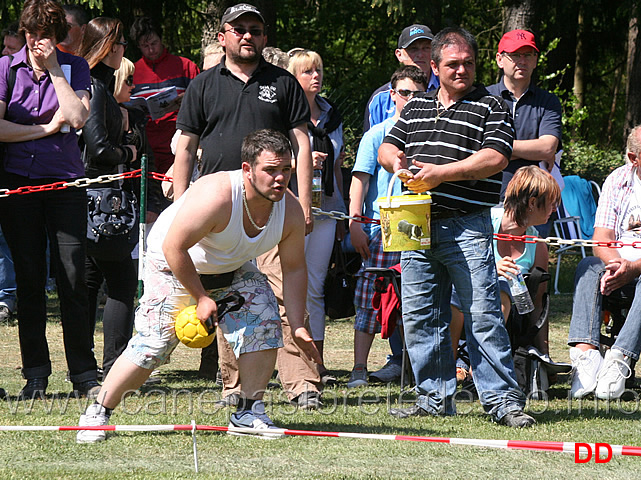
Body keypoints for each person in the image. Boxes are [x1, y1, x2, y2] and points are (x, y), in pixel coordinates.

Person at [76, 129, 322, 443]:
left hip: (230, 269)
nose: (280, 178)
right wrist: (201, 297)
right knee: (152, 346)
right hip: (171, 264)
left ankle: (248, 411)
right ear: (247, 170)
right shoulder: (218, 195)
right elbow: (173, 247)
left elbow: (294, 267)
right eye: (270, 170)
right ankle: (98, 411)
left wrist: (298, 324)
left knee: (264, 319)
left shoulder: (289, 211)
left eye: (286, 169)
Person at [378, 27, 534, 427]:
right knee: (420, 316)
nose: (462, 70)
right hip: (416, 224)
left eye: (468, 63)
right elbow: (387, 146)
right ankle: (433, 398)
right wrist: (396, 162)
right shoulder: (415, 107)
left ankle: (502, 402)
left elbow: (496, 157)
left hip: (468, 226)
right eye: (452, 64)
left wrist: (440, 175)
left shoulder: (492, 106)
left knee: (482, 313)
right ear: (434, 66)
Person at [174, 4, 320, 409]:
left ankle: (303, 385)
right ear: (222, 36)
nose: (247, 36)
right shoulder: (203, 84)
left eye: (255, 30)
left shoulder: (284, 82)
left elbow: (302, 144)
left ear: (264, 37)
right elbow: (185, 147)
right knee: (228, 301)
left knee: (288, 290)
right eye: (239, 30)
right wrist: (181, 204)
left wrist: (303, 203)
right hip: (218, 214)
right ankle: (234, 388)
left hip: (273, 209)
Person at [0, 0, 98, 399]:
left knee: (73, 277)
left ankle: (83, 374)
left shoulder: (76, 67)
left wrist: (55, 68)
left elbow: (77, 118)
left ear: (57, 37)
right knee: (29, 279)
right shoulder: (5, 69)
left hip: (65, 185)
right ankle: (35, 374)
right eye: (30, 34)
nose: (36, 42)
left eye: (44, 35)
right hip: (18, 184)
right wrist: (43, 129)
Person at [347, 65, 427, 388]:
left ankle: (417, 370)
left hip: (419, 229)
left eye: (418, 94)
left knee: (416, 301)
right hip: (381, 229)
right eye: (404, 92)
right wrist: (354, 223)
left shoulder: (431, 133)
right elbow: (359, 181)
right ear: (392, 95)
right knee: (369, 297)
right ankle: (358, 369)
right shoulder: (377, 134)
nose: (410, 99)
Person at [449, 166, 560, 384]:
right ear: (531, 203)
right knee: (459, 295)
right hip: (464, 298)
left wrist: (544, 355)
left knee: (502, 289)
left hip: (511, 315)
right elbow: (455, 265)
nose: (554, 209)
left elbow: (538, 305)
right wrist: (489, 268)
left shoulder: (537, 245)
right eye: (551, 203)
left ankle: (478, 371)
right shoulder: (483, 223)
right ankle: (447, 368)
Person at [78, 17, 139, 379]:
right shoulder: (95, 86)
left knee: (87, 282)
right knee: (120, 281)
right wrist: (129, 152)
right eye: (118, 43)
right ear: (104, 46)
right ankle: (114, 365)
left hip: (83, 194)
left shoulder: (92, 84)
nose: (122, 50)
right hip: (100, 193)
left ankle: (85, 367)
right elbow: (99, 146)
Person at [567, 126, 641, 400]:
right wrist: (616, 266)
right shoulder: (617, 180)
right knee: (587, 266)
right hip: (619, 264)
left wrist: (634, 268)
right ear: (633, 158)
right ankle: (586, 356)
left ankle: (618, 359)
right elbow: (602, 238)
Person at [288, 49, 346, 378]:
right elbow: (272, 160)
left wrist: (339, 215)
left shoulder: (331, 115)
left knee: (315, 286)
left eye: (318, 70)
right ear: (293, 77)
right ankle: (286, 362)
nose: (316, 76)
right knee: (286, 285)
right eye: (308, 71)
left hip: (325, 210)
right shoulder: (282, 114)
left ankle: (317, 362)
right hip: (291, 207)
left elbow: (337, 168)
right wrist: (302, 162)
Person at [486, 29, 562, 233]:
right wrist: (527, 149)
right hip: (489, 198)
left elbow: (547, 148)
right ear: (500, 59)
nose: (522, 60)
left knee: (533, 263)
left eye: (528, 55)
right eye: (515, 55)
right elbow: (474, 148)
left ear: (536, 60)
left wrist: (497, 150)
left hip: (536, 205)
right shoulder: (482, 99)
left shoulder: (548, 102)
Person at [129, 16, 200, 175]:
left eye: (154, 43)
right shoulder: (132, 71)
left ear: (161, 40)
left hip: (179, 145)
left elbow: (201, 104)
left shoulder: (185, 66)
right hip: (146, 148)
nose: (151, 50)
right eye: (144, 46)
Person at [363, 24, 439, 133]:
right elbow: (371, 145)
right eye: (413, 49)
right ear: (399, 55)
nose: (420, 55)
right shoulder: (380, 99)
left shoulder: (446, 91)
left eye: (426, 48)